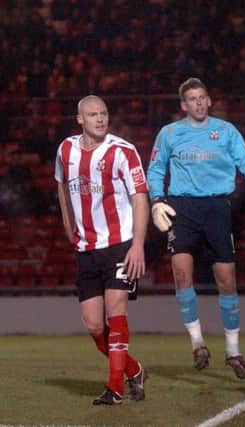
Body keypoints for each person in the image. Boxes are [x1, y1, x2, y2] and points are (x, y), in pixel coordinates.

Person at [147, 77, 245, 379]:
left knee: (226, 280)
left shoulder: (226, 132)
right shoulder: (170, 133)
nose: (198, 103)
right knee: (181, 273)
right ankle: (197, 343)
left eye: (202, 97)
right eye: (192, 99)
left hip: (217, 208)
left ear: (209, 100)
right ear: (183, 105)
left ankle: (233, 350)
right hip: (182, 208)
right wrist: (157, 200)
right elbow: (156, 169)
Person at [55, 95, 149, 405]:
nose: (100, 119)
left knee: (116, 311)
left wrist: (137, 245)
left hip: (120, 245)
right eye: (93, 114)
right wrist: (69, 226)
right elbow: (61, 185)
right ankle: (133, 369)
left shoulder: (123, 151)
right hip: (87, 249)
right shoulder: (66, 150)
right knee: (94, 325)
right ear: (79, 119)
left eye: (104, 113)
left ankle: (115, 388)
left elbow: (139, 197)